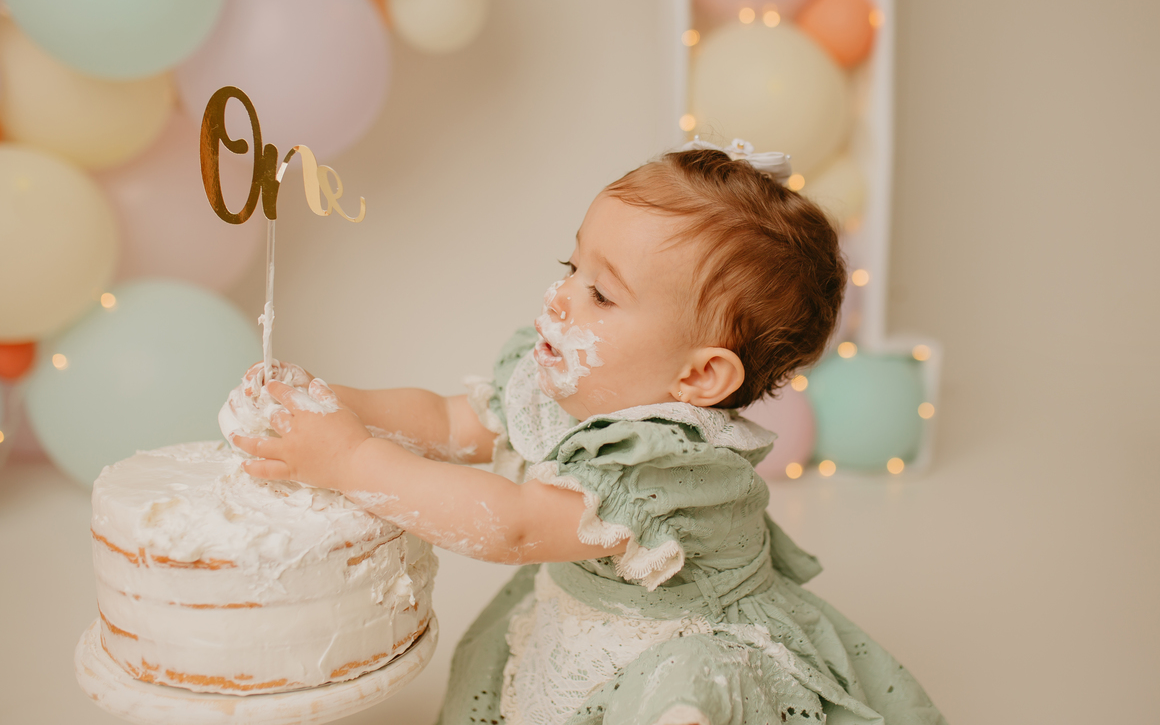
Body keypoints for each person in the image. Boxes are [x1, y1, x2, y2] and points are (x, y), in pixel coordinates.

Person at [229, 139, 946, 725]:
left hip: (678, 639)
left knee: (684, 689)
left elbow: (515, 526)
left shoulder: (666, 469)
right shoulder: (572, 384)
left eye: (601, 294)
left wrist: (351, 459)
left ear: (700, 377)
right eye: (571, 268)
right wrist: (336, 404)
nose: (561, 297)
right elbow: (449, 421)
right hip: (578, 612)